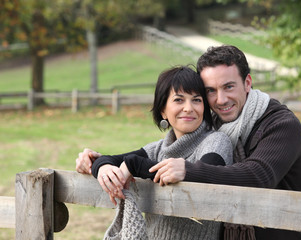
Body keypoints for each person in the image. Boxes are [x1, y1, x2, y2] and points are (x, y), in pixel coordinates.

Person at [77, 46, 301, 240]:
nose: (220, 99)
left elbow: (258, 176)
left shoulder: (281, 124)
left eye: (229, 86)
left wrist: (186, 170)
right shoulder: (214, 121)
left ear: (247, 82)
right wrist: (97, 164)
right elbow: (130, 157)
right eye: (210, 91)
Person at [76, 65, 233, 240]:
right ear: (163, 110)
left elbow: (206, 173)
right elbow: (111, 160)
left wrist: (135, 165)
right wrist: (101, 166)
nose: (189, 108)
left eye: (196, 100)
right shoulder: (158, 149)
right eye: (179, 100)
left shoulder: (216, 141)